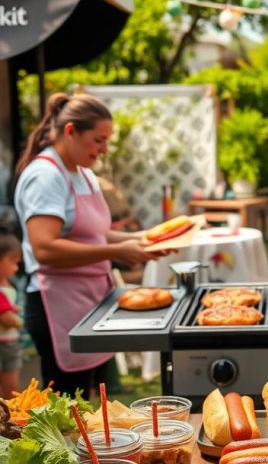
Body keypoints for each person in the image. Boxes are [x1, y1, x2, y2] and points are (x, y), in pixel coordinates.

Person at [14, 93, 169, 398]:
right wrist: (118, 252)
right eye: (99, 140)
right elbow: (45, 248)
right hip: (57, 304)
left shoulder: (83, 174)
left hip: (91, 299)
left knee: (89, 405)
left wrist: (144, 239)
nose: (104, 150)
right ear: (70, 131)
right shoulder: (45, 176)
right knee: (67, 410)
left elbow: (97, 234)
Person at [0, 233, 24, 399]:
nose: (16, 268)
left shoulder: (7, 284)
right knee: (11, 383)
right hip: (5, 345)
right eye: (13, 262)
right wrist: (20, 322)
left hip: (9, 342)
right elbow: (6, 318)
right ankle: (11, 412)